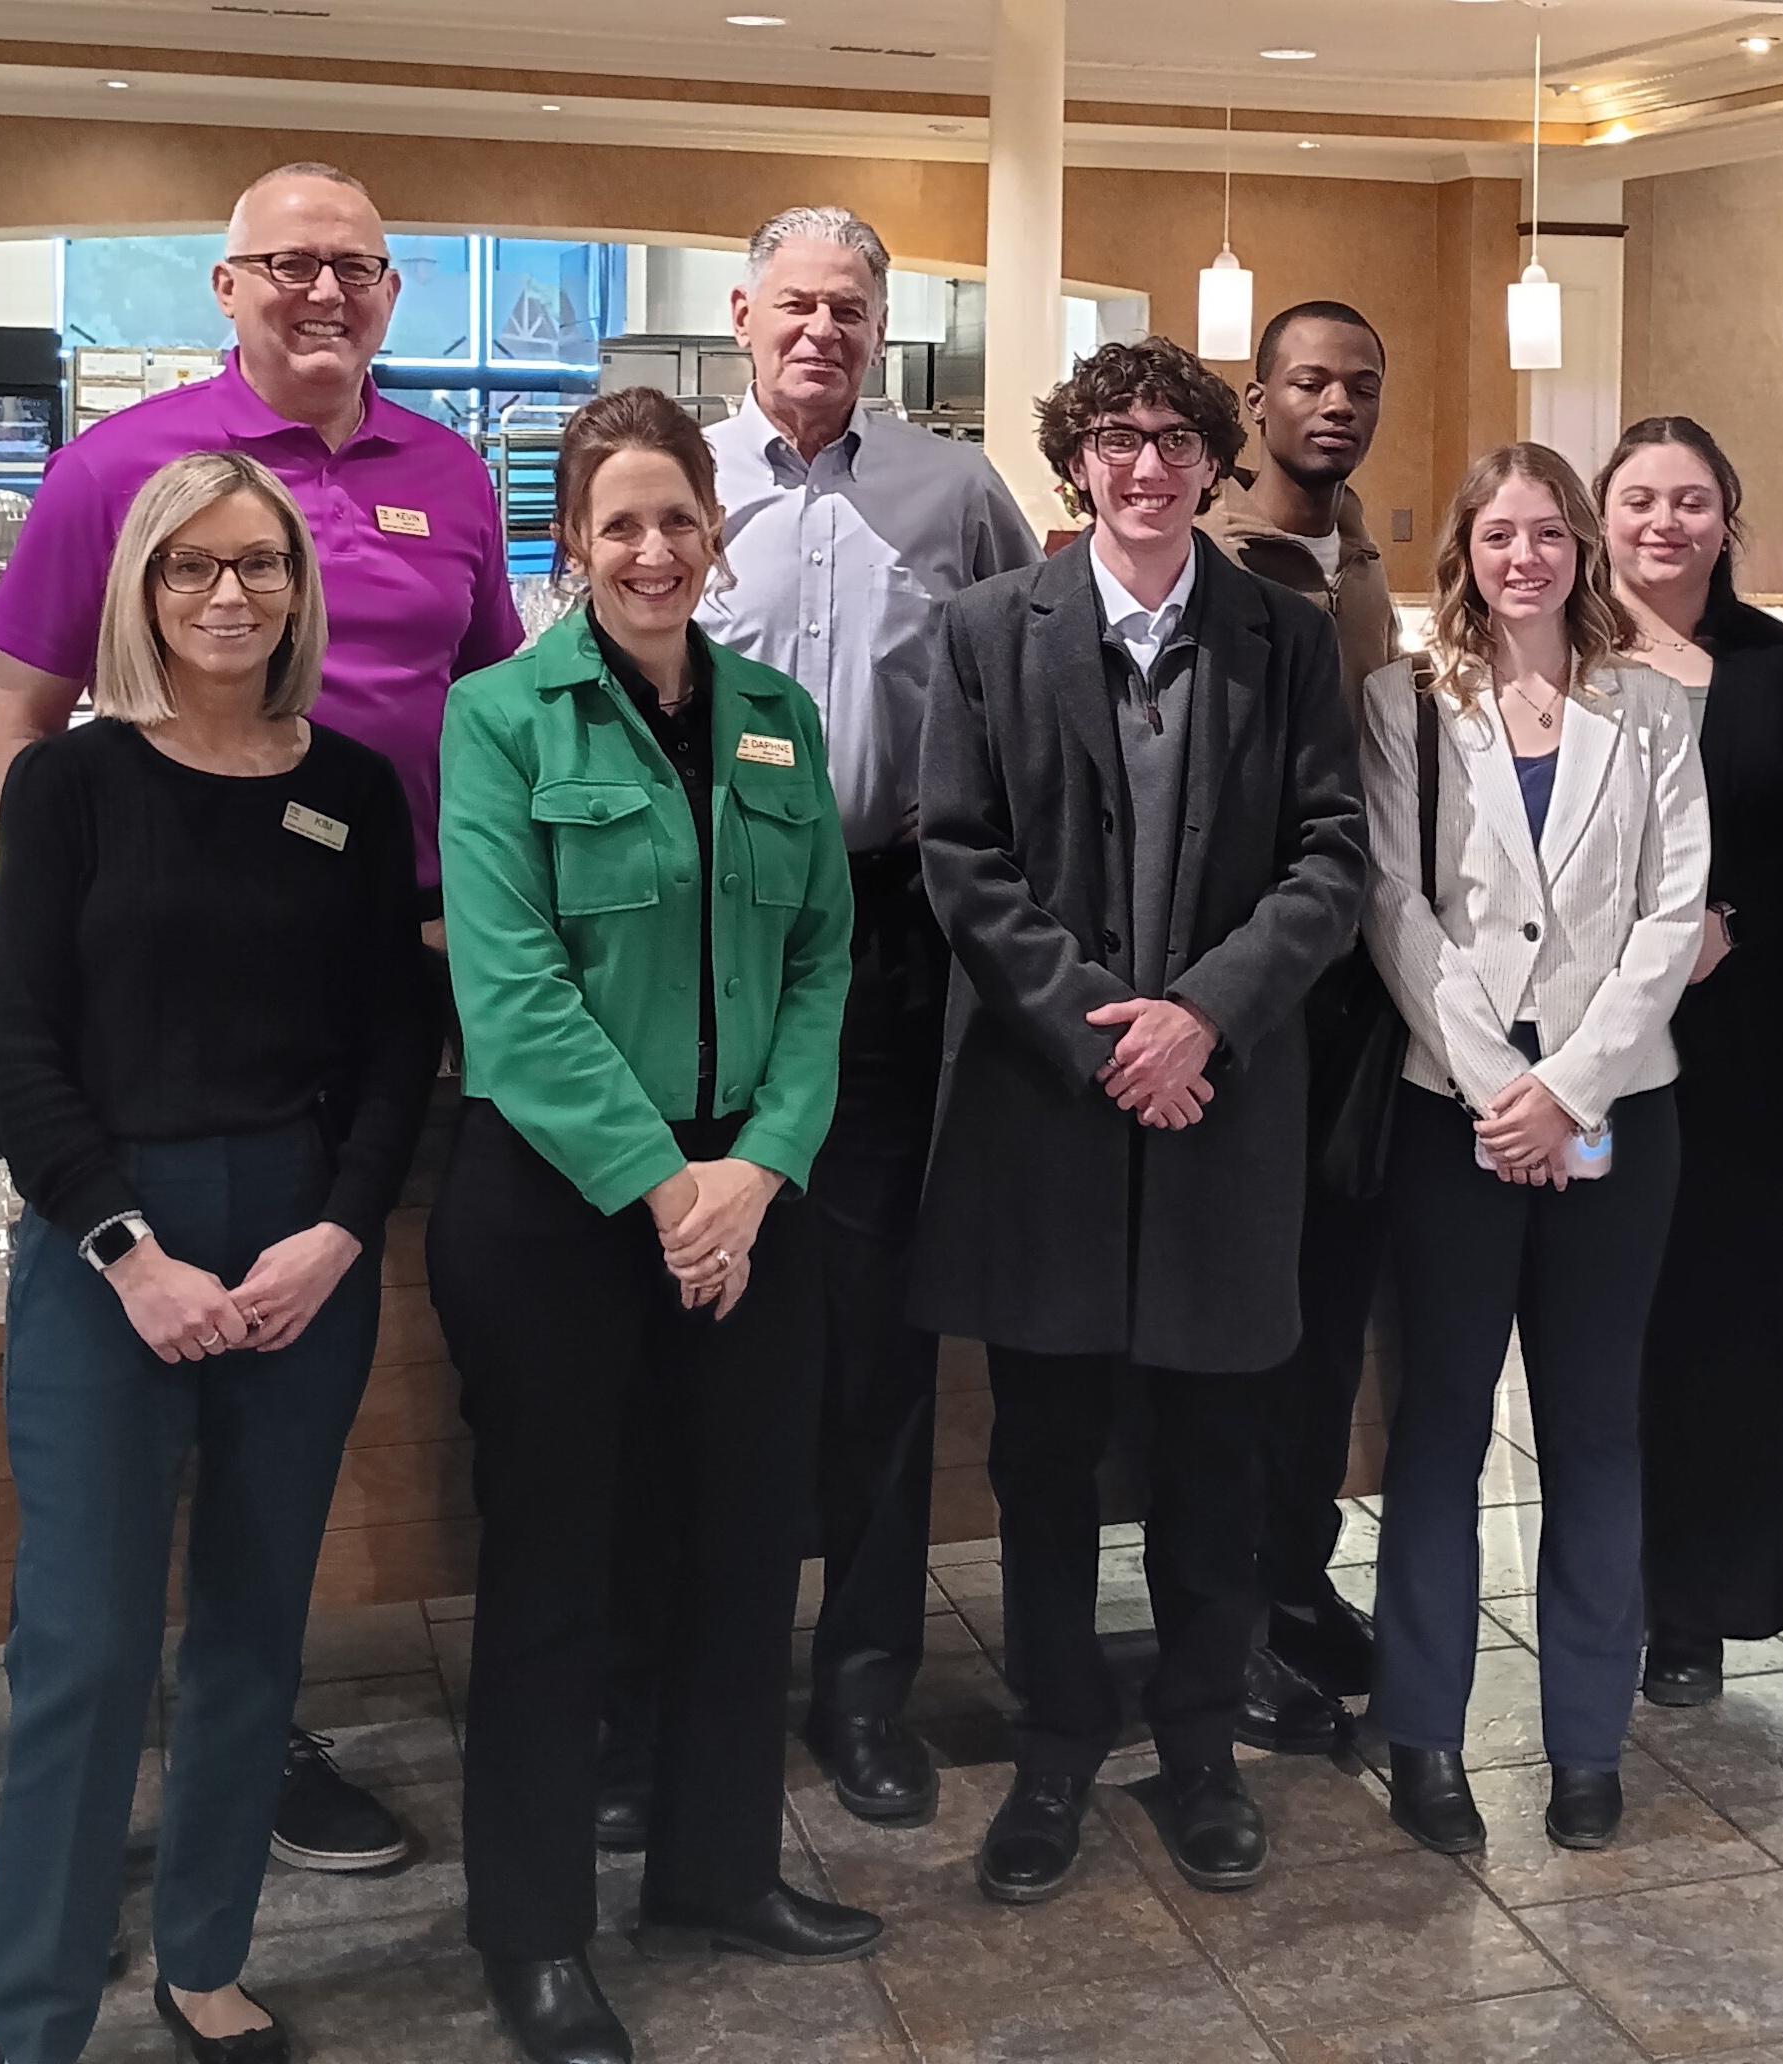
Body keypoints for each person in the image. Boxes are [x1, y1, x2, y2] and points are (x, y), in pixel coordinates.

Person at [0, 159, 516, 1877]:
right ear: (224, 288)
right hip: (169, 1033)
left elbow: (490, 709)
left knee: (322, 1381)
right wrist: (102, 934)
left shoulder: (448, 476)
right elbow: (20, 719)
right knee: (125, 1458)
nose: (324, 292)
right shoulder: (118, 470)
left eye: (355, 266)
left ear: (392, 293)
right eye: (287, 265)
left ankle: (254, 1723)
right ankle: (124, 1800)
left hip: (391, 995)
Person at [432, 388, 873, 2064]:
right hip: (560, 1206)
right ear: (568, 543)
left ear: (717, 534)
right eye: (617, 523)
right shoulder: (499, 716)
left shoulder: (775, 714)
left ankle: (716, 1868)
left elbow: (826, 958)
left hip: (751, 1203)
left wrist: (758, 1166)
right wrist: (667, 1184)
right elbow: (513, 985)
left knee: (744, 1547)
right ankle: (533, 1931)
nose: (650, 550)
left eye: (677, 520)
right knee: (556, 1572)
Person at [0, 451, 436, 2064]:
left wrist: (339, 1223)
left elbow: (401, 1035)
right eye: (192, 567)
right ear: (142, 590)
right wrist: (129, 1250)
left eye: (260, 564)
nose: (228, 593)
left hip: (304, 1241)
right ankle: (33, 2010)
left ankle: (206, 1955)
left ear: (301, 590)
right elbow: (19, 1054)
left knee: (252, 1625)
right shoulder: (71, 787)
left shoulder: (357, 790)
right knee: (87, 1652)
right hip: (117, 1248)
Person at [599, 205, 1035, 1840]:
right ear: (741, 311)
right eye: (796, 304)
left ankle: (861, 1682)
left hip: (895, 940)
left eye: (850, 309)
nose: (822, 332)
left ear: (881, 325)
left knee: (874, 1332)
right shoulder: (675, 487)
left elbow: (1018, 697)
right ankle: (666, 1693)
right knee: (685, 1310)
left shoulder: (957, 494)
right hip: (695, 944)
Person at [914, 337, 1366, 1906]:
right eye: (1116, 438)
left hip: (1222, 1111)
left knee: (1212, 1462)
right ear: (1074, 460)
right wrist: (1107, 1031)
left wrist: (1204, 1020)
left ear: (1213, 461)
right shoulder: (984, 632)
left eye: (1177, 438)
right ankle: (1052, 1747)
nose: (1148, 464)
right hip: (1048, 1110)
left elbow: (1330, 860)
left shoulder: (1286, 640)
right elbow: (958, 858)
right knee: (1041, 1460)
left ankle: (1194, 1748)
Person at [1362, 443, 1711, 1855]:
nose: (1525, 558)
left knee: (1595, 1428)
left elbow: (1673, 916)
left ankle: (1584, 1741)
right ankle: (1424, 1740)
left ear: (1583, 548)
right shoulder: (1408, 703)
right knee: (1439, 1434)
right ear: (1462, 550)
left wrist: (1569, 1089)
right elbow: (1395, 904)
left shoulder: (1651, 711)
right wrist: (1498, 1089)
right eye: (1497, 534)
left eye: (1548, 533)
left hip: (1619, 1114)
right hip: (1449, 1118)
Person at [1594, 416, 1783, 1709]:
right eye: (1640, 499)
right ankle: (1604, 1587)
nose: (1664, 524)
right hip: (1589, 1053)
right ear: (1602, 515)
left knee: (1728, 1336)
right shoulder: (1556, 654)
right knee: (1601, 1332)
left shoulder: (1778, 668)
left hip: (1736, 1054)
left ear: (1727, 521)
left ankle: (1698, 1607)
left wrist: (1732, 914)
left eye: (1692, 501)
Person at [1199, 299, 1397, 1750]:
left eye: (1359, 387)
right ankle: (1230, 1620)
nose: (1335, 406)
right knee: (1248, 1324)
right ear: (1256, 399)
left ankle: (1294, 1574)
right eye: (1308, 383)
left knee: (1330, 1316)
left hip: (1361, 998)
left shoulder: (1368, 563)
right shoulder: (1210, 564)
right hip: (1248, 989)